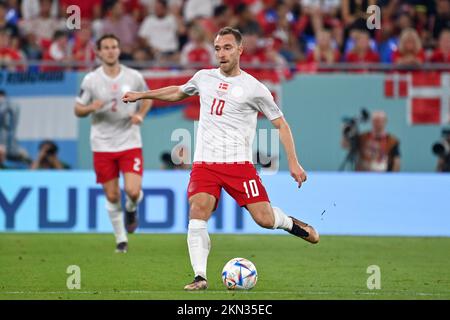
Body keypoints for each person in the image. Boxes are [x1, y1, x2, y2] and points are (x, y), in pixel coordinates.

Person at [122, 27, 319, 291]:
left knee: (264, 219)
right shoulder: (204, 77)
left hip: (238, 165)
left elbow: (281, 125)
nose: (221, 53)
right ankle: (200, 276)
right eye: (217, 48)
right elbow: (178, 91)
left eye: (227, 47)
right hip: (205, 163)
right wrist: (142, 95)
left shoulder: (254, 88)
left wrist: (294, 162)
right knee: (197, 210)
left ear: (240, 50)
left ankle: (291, 224)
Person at [74, 34, 153, 253]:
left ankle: (131, 208)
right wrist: (91, 107)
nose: (110, 51)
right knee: (111, 195)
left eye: (114, 47)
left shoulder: (134, 76)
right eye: (106, 47)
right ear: (98, 52)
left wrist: (140, 115)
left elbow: (147, 97)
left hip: (129, 140)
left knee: (133, 191)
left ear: (119, 50)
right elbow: (78, 109)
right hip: (102, 144)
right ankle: (121, 239)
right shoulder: (91, 80)